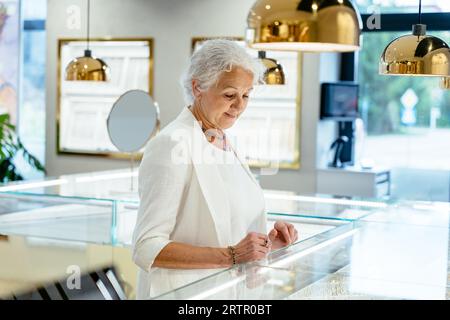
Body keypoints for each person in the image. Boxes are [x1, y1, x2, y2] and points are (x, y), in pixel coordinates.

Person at [132, 39, 298, 299]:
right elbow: (146, 247)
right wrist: (232, 255)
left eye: (246, 95)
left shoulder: (224, 142)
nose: (240, 106)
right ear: (198, 87)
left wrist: (267, 244)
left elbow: (228, 233)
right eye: (230, 95)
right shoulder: (171, 144)